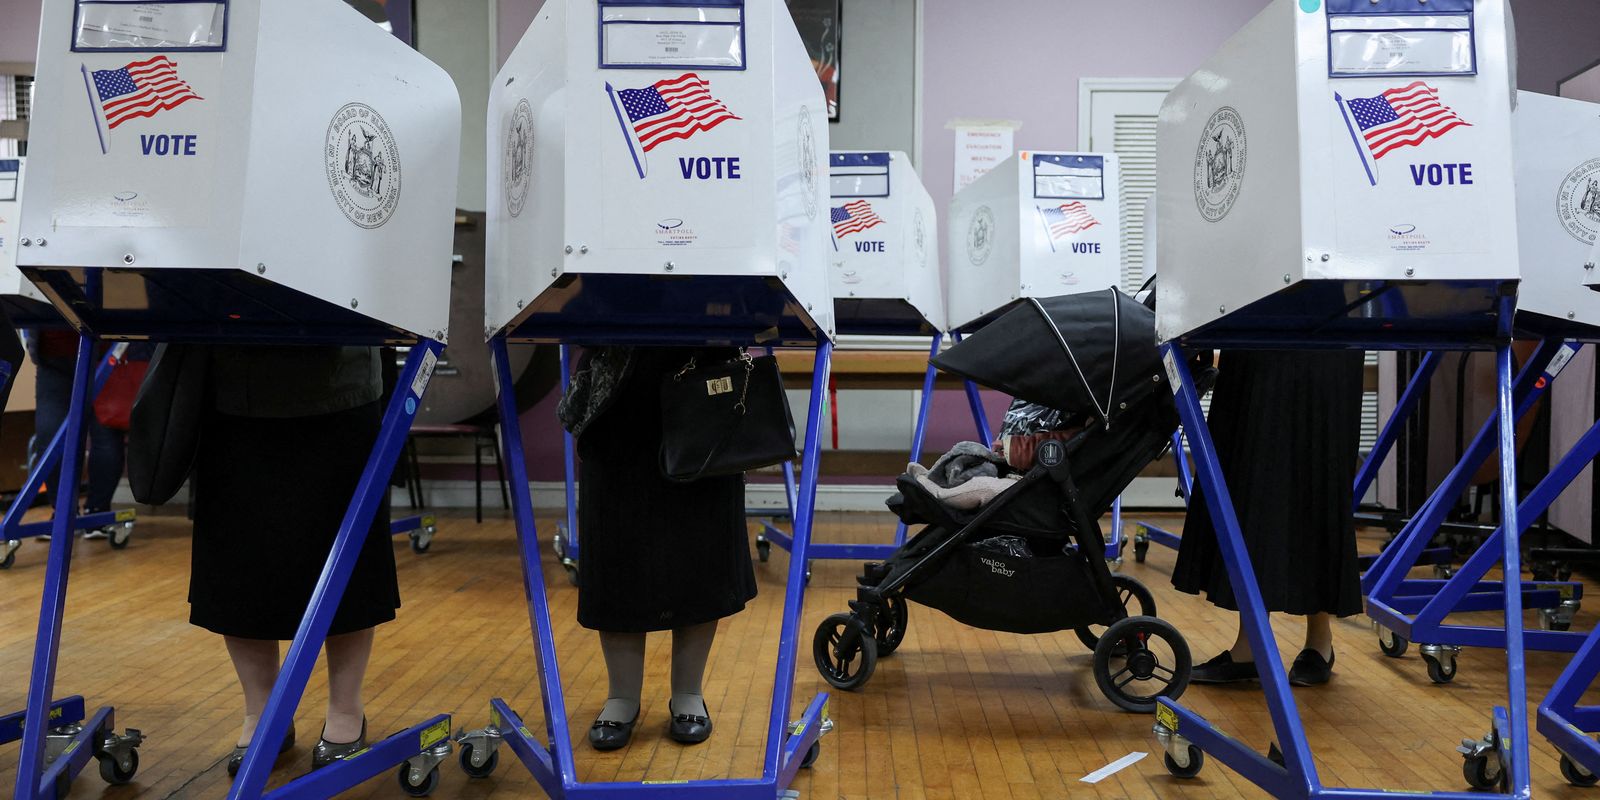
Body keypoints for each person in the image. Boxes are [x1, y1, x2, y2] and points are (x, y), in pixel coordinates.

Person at [182, 345, 399, 776]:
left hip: (342, 382)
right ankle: (261, 713)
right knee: (239, 562)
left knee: (348, 562)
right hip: (234, 384)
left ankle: (344, 709)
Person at [559, 346, 757, 751]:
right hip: (618, 389)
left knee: (702, 549)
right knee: (618, 547)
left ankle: (688, 693)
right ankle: (621, 697)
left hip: (706, 380)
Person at [1170, 349, 1365, 687]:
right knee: (1251, 477)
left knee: (1316, 470)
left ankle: (1319, 640)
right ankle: (1250, 646)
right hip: (1254, 330)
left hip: (1329, 331)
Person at [26, 330, 129, 537]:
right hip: (100, 345)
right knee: (104, 434)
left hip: (56, 347)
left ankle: (63, 513)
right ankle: (97, 513)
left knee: (53, 438)